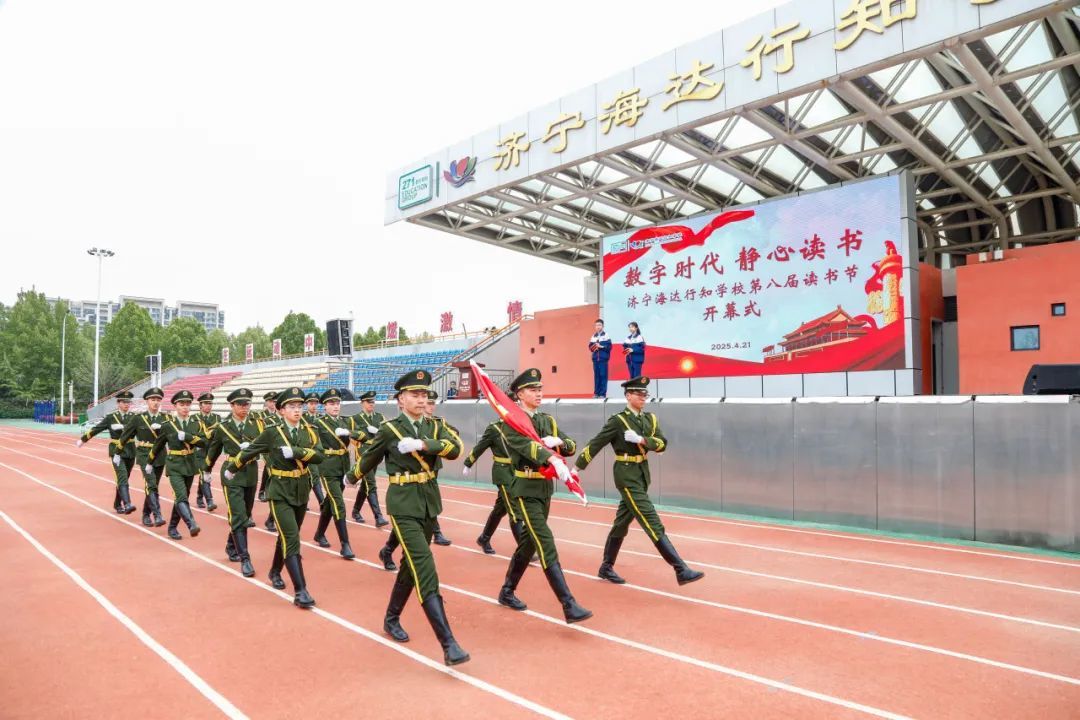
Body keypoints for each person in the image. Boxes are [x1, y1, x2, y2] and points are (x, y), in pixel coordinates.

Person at [350, 370, 468, 665]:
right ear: (401, 400)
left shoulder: (434, 426)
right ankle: (449, 643)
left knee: (409, 567)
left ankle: (391, 618)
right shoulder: (391, 429)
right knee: (425, 566)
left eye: (424, 394)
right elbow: (370, 457)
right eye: (414, 395)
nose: (421, 399)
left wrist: (424, 445)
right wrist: (350, 478)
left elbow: (456, 449)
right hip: (402, 505)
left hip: (428, 503)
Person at [575, 376, 703, 586]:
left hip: (642, 474)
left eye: (645, 394)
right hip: (626, 475)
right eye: (639, 393)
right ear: (628, 395)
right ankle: (680, 569)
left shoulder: (650, 419)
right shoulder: (619, 421)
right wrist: (577, 468)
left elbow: (662, 444)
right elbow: (596, 443)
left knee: (621, 523)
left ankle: (606, 567)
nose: (643, 397)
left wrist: (643, 440)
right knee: (650, 519)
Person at [495, 368, 592, 624]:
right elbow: (525, 448)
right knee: (544, 541)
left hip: (544, 490)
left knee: (528, 543)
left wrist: (557, 441)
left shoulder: (547, 420)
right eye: (532, 390)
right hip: (524, 490)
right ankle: (568, 604)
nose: (538, 393)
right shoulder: (511, 422)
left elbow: (570, 446)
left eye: (539, 389)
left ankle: (507, 591)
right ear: (519, 394)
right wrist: (546, 451)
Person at [226, 386, 323, 608]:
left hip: (301, 489)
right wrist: (232, 468)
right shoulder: (272, 432)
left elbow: (320, 456)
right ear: (281, 410)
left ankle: (274, 571)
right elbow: (251, 450)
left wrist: (298, 453)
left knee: (288, 536)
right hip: (279, 490)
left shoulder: (309, 430)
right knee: (292, 538)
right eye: (291, 407)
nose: (297, 411)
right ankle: (301, 590)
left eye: (299, 406)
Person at [203, 387, 264, 576]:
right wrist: (206, 470)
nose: (245, 407)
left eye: (247, 404)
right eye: (240, 404)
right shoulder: (223, 427)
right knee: (238, 515)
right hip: (232, 474)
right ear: (232, 405)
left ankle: (231, 546)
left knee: (245, 514)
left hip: (251, 472)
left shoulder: (258, 424)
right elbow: (213, 450)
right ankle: (245, 558)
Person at [148, 390, 204, 540]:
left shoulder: (196, 423)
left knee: (182, 497)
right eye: (181, 404)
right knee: (181, 495)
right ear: (175, 406)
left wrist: (189, 438)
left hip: (190, 464)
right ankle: (191, 523)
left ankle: (172, 527)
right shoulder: (167, 425)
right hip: (174, 465)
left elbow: (205, 442)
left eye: (187, 404)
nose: (185, 407)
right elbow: (158, 445)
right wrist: (149, 462)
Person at [463, 419, 522, 554]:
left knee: (500, 509)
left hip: (517, 471)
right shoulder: (494, 428)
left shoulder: (519, 424)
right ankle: (524, 550)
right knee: (515, 510)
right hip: (502, 472)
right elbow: (481, 446)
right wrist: (468, 462)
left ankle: (484, 538)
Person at [310, 388, 355, 560]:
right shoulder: (319, 424)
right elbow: (315, 445)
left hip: (343, 466)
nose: (335, 406)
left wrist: (351, 433)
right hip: (328, 467)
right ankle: (345, 544)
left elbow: (363, 435)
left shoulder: (346, 422)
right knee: (338, 503)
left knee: (330, 503)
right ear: (324, 406)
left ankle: (319, 533)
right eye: (331, 404)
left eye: (337, 403)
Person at [76, 389, 136, 514]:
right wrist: (83, 439)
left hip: (130, 450)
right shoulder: (111, 417)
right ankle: (127, 503)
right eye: (124, 402)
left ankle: (117, 503)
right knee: (122, 477)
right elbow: (96, 429)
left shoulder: (134, 417)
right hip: (116, 451)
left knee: (124, 478)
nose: (126, 404)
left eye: (128, 402)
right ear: (118, 403)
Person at [118, 387, 168, 527]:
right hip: (145, 454)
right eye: (153, 400)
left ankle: (145, 514)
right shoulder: (138, 418)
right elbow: (125, 436)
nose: (156, 403)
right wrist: (117, 452)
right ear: (147, 401)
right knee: (151, 484)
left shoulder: (165, 418)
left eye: (158, 400)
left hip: (160, 455)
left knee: (154, 486)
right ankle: (157, 515)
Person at [347, 390, 388, 526]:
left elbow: (386, 432)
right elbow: (351, 434)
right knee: (371, 483)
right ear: (362, 403)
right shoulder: (355, 418)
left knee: (365, 485)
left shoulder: (379, 417)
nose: (371, 404)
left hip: (377, 453)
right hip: (364, 454)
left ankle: (356, 510)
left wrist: (377, 431)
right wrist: (361, 434)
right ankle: (378, 516)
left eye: (373, 402)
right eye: (368, 402)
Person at [193, 392, 220, 511]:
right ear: (200, 405)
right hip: (199, 451)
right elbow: (195, 435)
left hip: (211, 451)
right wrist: (208, 434)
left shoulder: (216, 417)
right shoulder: (194, 418)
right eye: (206, 403)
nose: (208, 406)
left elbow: (218, 433)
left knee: (206, 474)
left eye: (210, 403)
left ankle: (199, 496)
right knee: (204, 474)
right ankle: (210, 501)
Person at [255, 391, 278, 504]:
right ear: (266, 402)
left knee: (269, 469)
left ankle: (264, 490)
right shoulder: (261, 416)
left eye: (274, 401)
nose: (273, 403)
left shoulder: (279, 413)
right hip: (265, 446)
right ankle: (264, 491)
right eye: (270, 401)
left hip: (276, 446)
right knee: (269, 465)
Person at [588, 319, 612, 399]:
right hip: (595, 359)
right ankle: (596, 393)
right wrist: (594, 347)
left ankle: (602, 394)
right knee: (596, 376)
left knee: (603, 376)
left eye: (599, 325)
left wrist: (601, 346)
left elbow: (609, 347)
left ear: (603, 326)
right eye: (596, 325)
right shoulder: (593, 336)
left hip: (603, 359)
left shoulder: (606, 336)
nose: (598, 327)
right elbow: (590, 347)